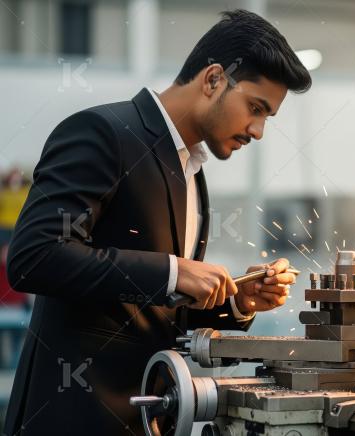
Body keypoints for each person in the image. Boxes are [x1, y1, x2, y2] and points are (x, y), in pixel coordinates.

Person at [3, 9, 311, 435]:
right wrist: (174, 271)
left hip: (151, 417)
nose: (257, 131)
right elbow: (34, 257)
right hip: (73, 417)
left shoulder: (193, 173)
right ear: (214, 79)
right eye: (255, 108)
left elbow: (155, 315)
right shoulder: (103, 132)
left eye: (266, 118)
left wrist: (237, 302)